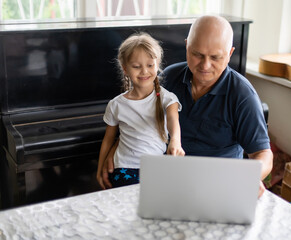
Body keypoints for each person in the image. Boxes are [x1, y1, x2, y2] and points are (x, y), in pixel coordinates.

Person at [99, 16, 273, 197]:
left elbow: (263, 154)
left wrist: (248, 176)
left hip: (216, 187)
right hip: (166, 181)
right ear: (186, 46)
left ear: (229, 54)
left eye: (215, 57)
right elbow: (142, 116)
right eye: (197, 54)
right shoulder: (169, 77)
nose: (205, 65)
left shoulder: (243, 95)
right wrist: (116, 147)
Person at [96, 33, 185, 190]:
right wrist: (99, 168)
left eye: (150, 65)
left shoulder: (167, 98)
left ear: (157, 65)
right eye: (136, 66)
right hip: (124, 168)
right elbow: (108, 139)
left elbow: (173, 120)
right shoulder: (116, 104)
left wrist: (175, 140)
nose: (144, 71)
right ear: (125, 69)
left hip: (155, 167)